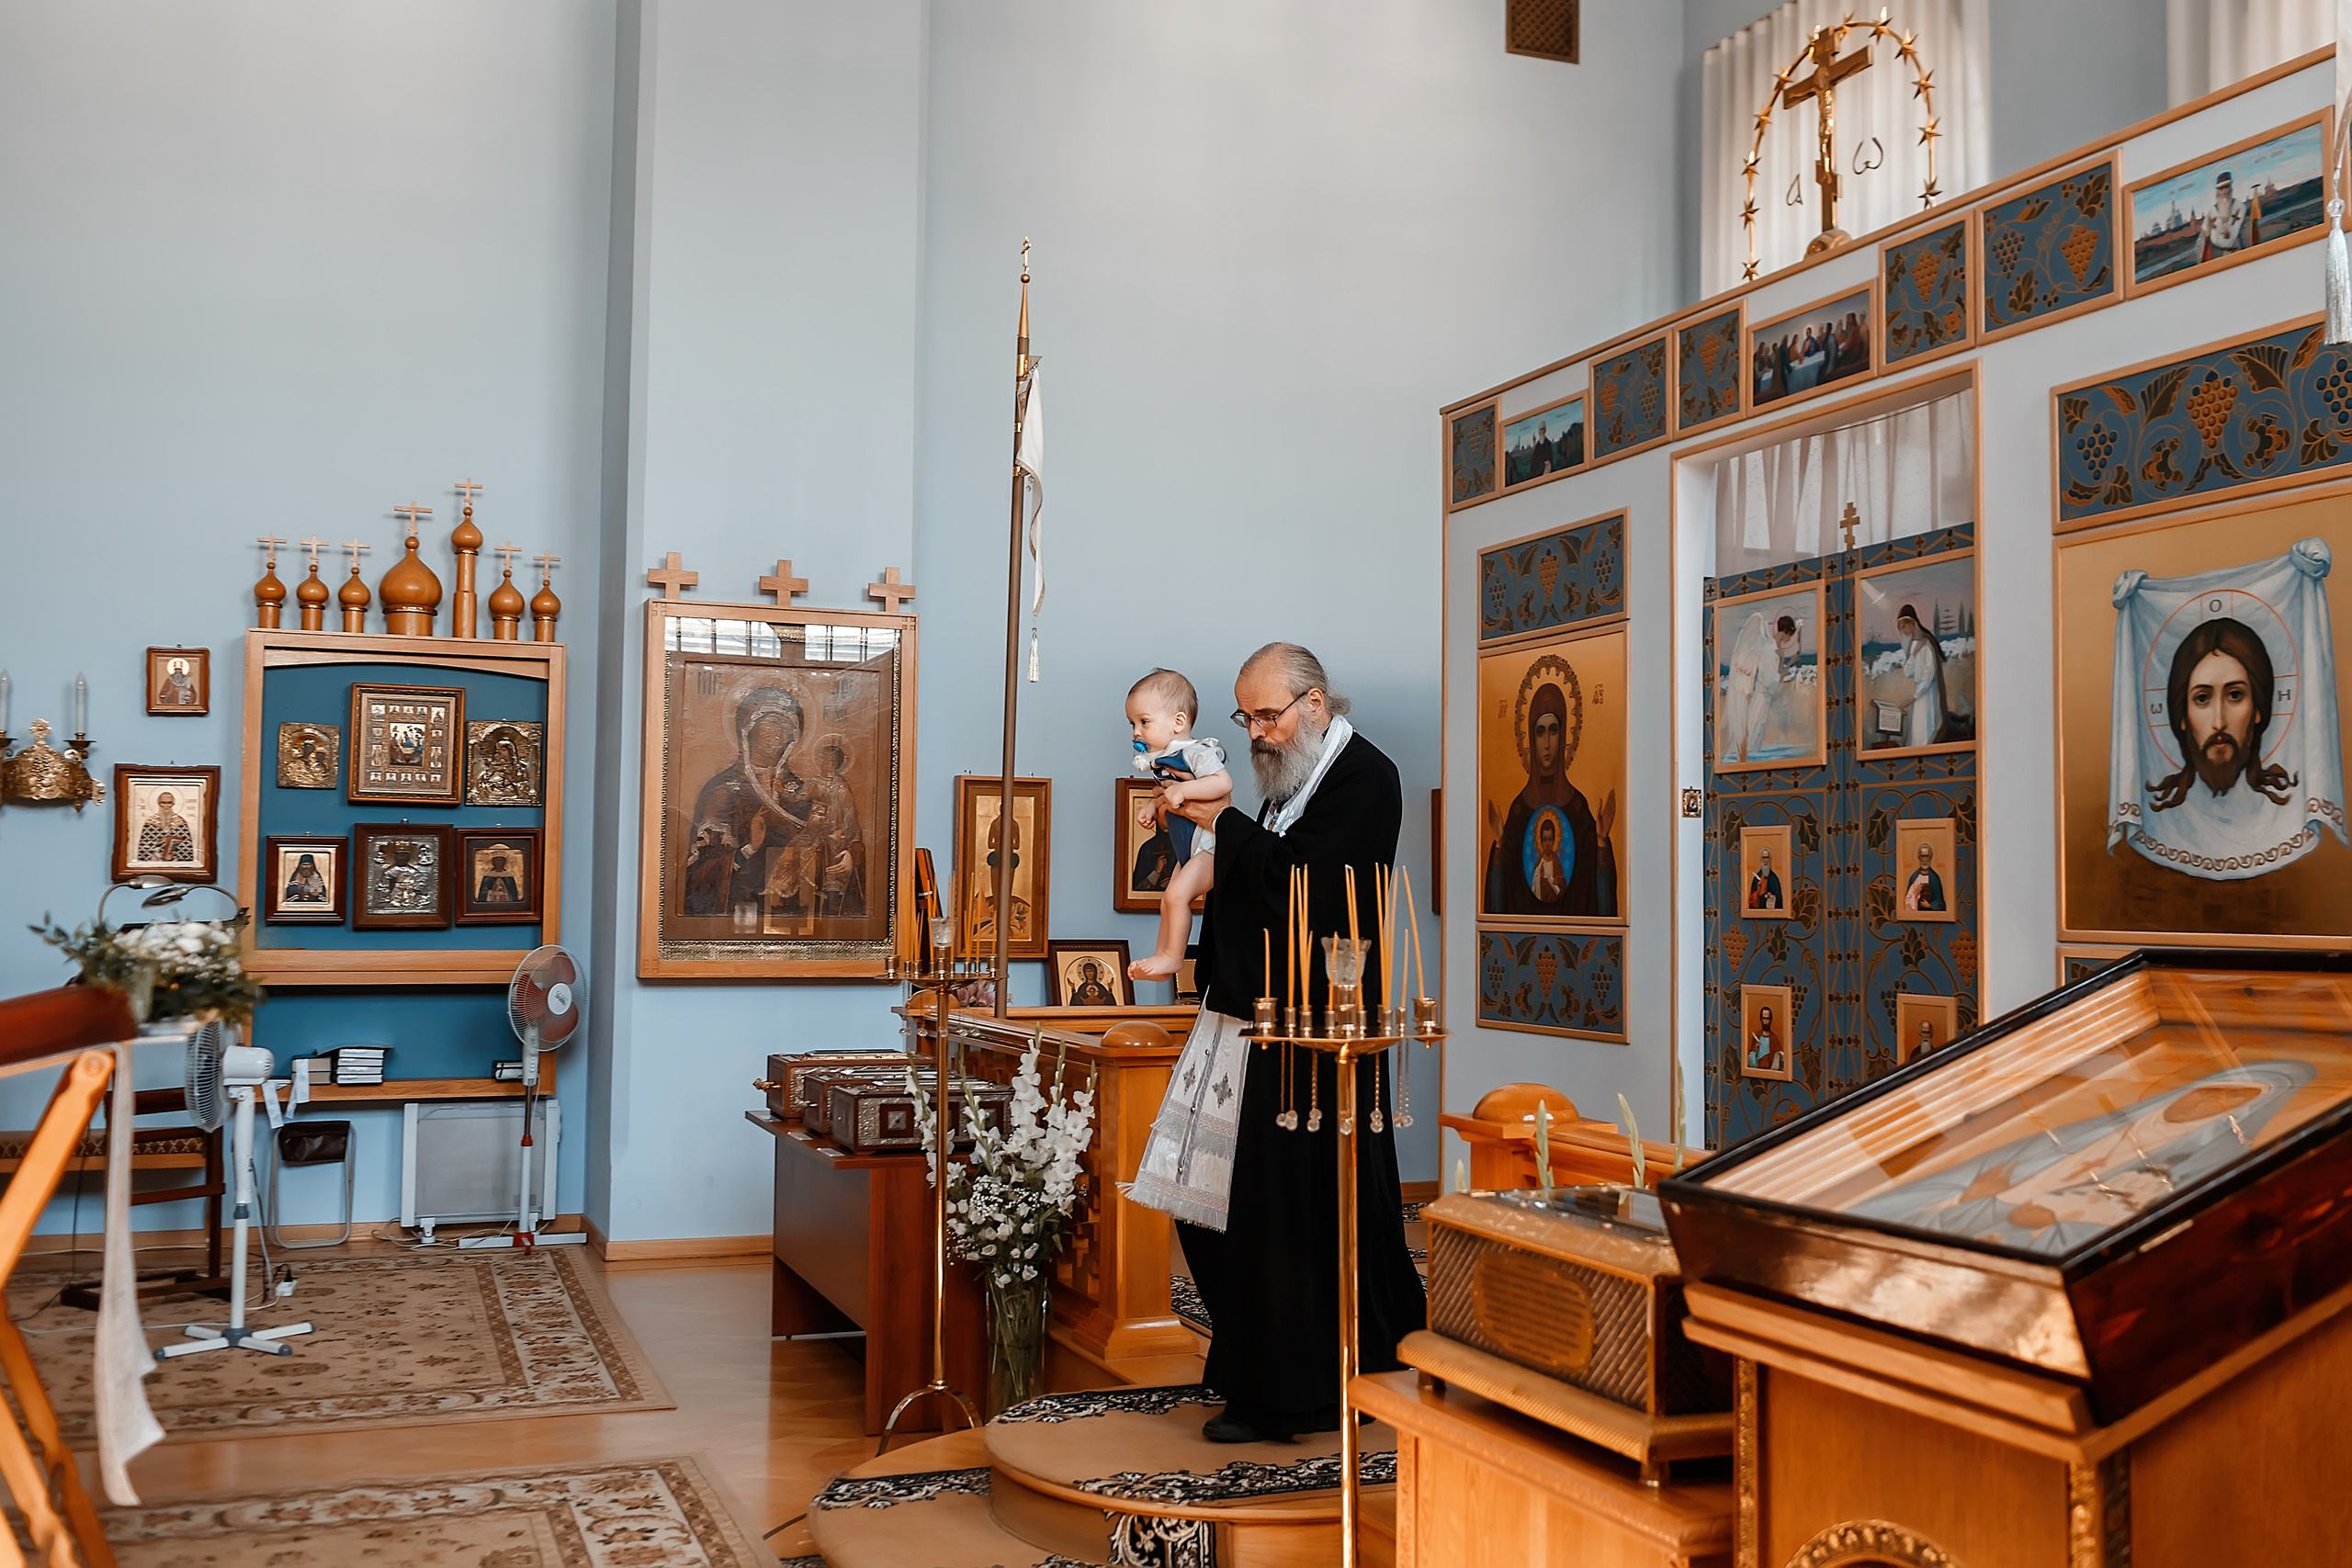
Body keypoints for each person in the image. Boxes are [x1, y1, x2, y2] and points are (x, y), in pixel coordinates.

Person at [1128, 643, 1423, 1443]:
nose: (1256, 733)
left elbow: (1310, 887)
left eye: (1269, 715)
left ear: (1316, 704)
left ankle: (1291, 1389)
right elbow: (1260, 878)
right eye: (1247, 717)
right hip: (1254, 1011)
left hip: (1318, 1026)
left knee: (1279, 1210)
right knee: (1211, 1204)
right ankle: (1264, 1357)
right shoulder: (1288, 777)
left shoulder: (1366, 777)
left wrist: (1220, 823)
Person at [682, 682, 824, 920]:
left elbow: (817, 845)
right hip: (740, 912)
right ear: (748, 728)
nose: (779, 733)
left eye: (788, 726)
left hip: (793, 912)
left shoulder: (802, 790)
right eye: (771, 722)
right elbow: (702, 876)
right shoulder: (723, 790)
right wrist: (749, 848)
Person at [1125, 669, 1233, 981]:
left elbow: (1221, 783)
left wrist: (1183, 790)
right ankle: (1162, 957)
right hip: (1189, 847)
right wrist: (1151, 805)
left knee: (1177, 898)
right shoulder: (1163, 759)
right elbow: (1165, 795)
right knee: (1168, 902)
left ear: (1178, 722)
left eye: (1144, 722)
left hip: (1211, 845)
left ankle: (1174, 957)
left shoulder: (1197, 752)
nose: (1136, 731)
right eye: (1132, 724)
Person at [1484, 676, 1616, 917]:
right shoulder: (1518, 810)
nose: (1546, 743)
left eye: (1553, 731)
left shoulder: (1577, 807)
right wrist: (1501, 844)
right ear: (1531, 739)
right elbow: (1498, 906)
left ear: (1564, 735)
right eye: (1540, 732)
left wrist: (1602, 842)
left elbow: (1601, 906)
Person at [2144, 616, 2298, 817]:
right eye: (2202, 699)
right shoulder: (2165, 818)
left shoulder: (2285, 815)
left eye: (2235, 695)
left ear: (2258, 710)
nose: (2219, 723)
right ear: (2182, 716)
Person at [1896, 603, 1951, 747]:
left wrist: (1914, 697)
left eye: (1904, 626)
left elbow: (1929, 674)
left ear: (1913, 624)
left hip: (1928, 694)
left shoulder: (1927, 644)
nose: (1903, 631)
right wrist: (1913, 654)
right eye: (1901, 628)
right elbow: (1908, 672)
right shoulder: (1915, 645)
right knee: (1917, 733)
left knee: (1926, 729)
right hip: (1919, 694)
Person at [2197, 168, 2262, 263]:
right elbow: (2202, 240)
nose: (2224, 191)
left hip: (2239, 252)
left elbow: (2247, 234)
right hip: (2219, 257)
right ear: (2217, 191)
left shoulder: (2239, 207)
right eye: (2221, 188)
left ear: (2231, 187)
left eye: (2226, 187)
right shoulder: (2212, 213)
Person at [137, 791, 196, 864]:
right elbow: (143, 845)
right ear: (159, 804)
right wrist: (159, 842)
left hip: (175, 862)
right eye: (163, 803)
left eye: (169, 803)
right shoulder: (150, 822)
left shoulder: (180, 822)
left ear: (173, 804)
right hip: (155, 861)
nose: (166, 806)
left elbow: (187, 844)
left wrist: (174, 853)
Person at [1530, 813, 1566, 903]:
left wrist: (1558, 881)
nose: (1547, 844)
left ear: (1554, 840)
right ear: (1541, 841)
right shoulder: (1539, 862)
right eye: (1545, 840)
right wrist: (1541, 879)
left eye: (1550, 839)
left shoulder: (1556, 860)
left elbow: (1562, 883)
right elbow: (1535, 885)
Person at [1904, 840, 1946, 912]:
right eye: (1922, 856)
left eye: (1927, 856)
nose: (1925, 859)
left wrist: (1930, 905)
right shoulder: (1914, 877)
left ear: (1930, 857)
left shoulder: (1934, 878)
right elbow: (1908, 899)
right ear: (1919, 858)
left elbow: (1940, 902)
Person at [1747, 1005, 1784, 1074]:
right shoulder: (1757, 1036)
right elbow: (1750, 1060)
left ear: (1770, 1020)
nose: (1766, 1021)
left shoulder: (1774, 1038)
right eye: (1764, 1018)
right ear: (1761, 1019)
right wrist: (1755, 1049)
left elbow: (1779, 1058)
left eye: (1768, 1018)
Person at [1747, 846, 1783, 911]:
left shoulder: (1774, 878)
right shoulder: (1757, 878)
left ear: (1770, 859)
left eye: (1767, 857)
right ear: (1761, 859)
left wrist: (1772, 896)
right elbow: (1751, 900)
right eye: (1763, 858)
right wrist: (1758, 891)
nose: (1765, 860)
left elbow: (1779, 898)